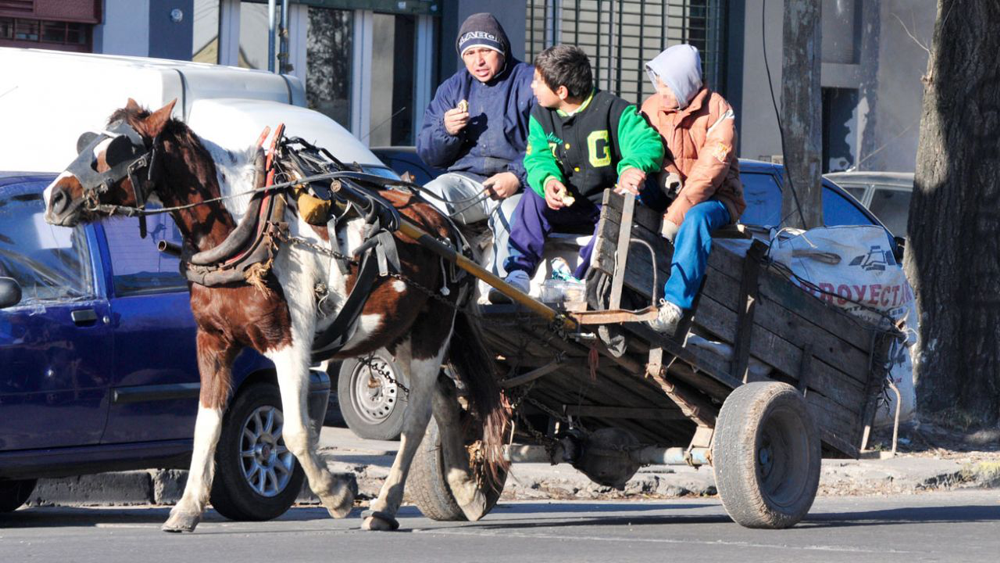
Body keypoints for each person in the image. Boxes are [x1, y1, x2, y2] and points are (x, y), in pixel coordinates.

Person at [490, 45, 664, 303]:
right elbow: (537, 157)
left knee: (615, 209)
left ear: (561, 91)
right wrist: (549, 181)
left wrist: (631, 168)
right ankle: (518, 274)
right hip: (562, 204)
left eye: (538, 81)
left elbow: (648, 144)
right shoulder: (540, 115)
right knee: (533, 197)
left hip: (601, 207)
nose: (532, 87)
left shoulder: (616, 111)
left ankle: (583, 280)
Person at [416, 13, 535, 287]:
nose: (477, 61)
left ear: (502, 50)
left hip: (517, 186)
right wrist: (445, 130)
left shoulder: (529, 81)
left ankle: (505, 290)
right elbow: (428, 154)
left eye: (485, 51)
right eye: (469, 53)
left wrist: (517, 176)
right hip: (467, 182)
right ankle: (432, 282)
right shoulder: (452, 87)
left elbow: (549, 142)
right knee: (429, 198)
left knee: (513, 214)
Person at [639, 44, 746, 335]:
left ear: (683, 83)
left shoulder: (719, 112)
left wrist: (675, 216)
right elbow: (644, 149)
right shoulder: (651, 108)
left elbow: (710, 171)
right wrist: (667, 174)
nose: (660, 92)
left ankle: (674, 304)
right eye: (658, 84)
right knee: (630, 194)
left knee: (696, 219)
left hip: (719, 198)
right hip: (672, 193)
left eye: (666, 86)